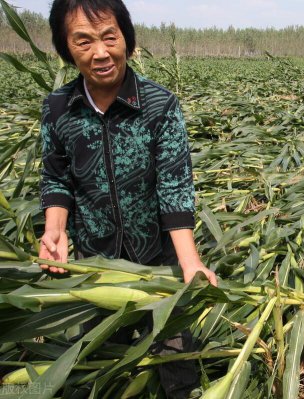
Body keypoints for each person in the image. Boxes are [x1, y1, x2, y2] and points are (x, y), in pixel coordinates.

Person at [37, 0, 216, 397]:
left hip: (159, 265)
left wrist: (189, 265)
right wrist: (55, 230)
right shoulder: (58, 110)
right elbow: (56, 178)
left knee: (178, 369)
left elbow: (174, 187)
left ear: (127, 40)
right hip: (97, 266)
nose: (100, 53)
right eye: (83, 41)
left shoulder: (159, 106)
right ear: (67, 49)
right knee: (102, 368)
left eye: (109, 37)